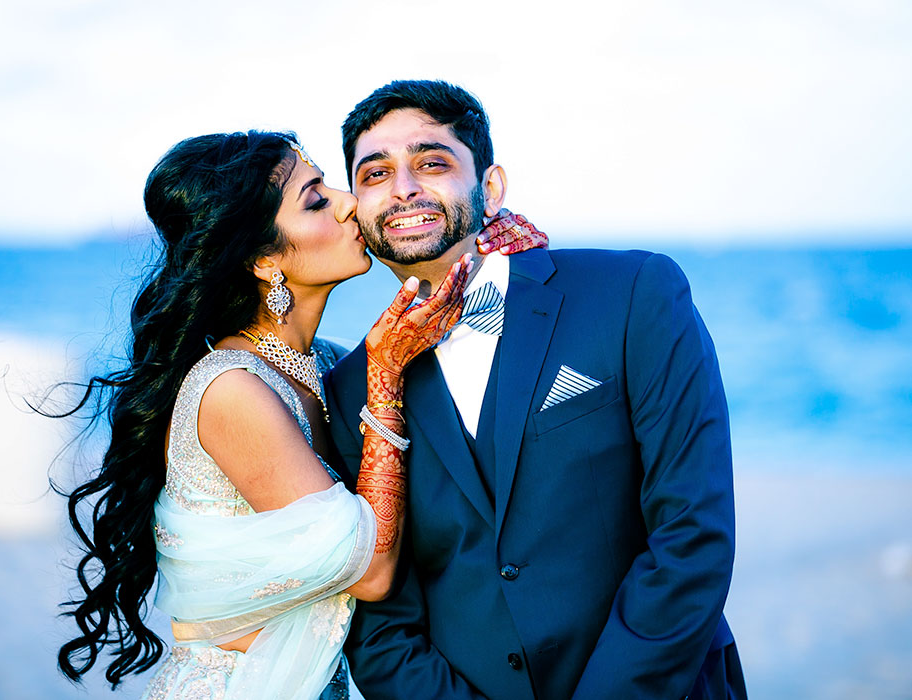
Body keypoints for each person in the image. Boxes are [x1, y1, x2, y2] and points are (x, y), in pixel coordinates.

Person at [53, 130, 543, 699]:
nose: (347, 202)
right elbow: (371, 572)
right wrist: (382, 379)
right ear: (263, 261)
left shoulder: (327, 363)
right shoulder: (231, 390)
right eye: (315, 200)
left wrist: (489, 259)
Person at [324, 80, 747, 699]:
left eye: (432, 162)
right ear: (358, 207)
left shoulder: (633, 293)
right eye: (376, 173)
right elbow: (380, 626)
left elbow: (692, 532)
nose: (404, 188)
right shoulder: (351, 388)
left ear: (490, 188)